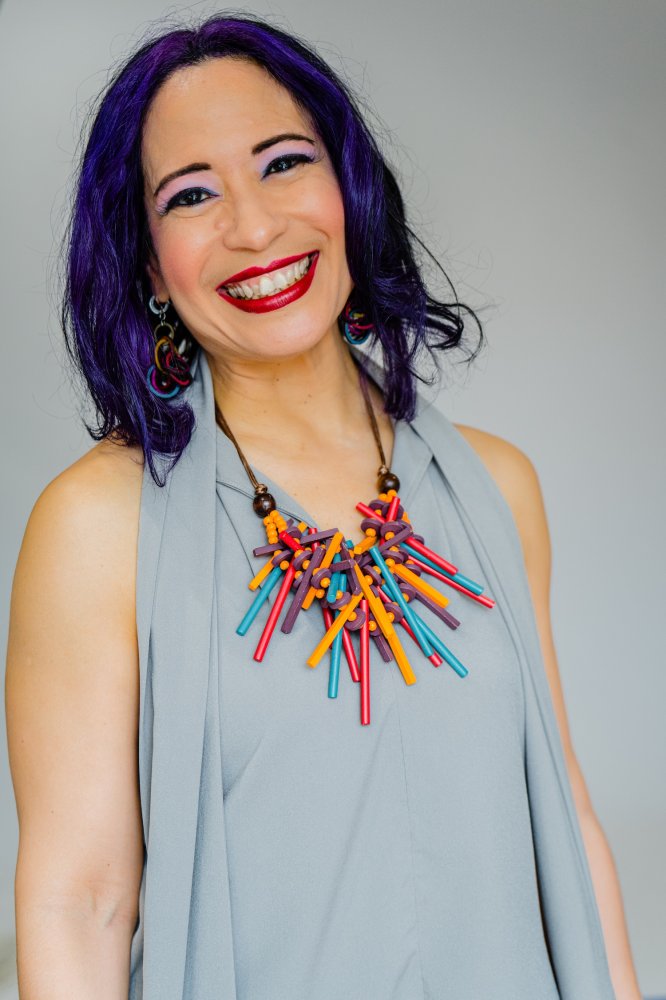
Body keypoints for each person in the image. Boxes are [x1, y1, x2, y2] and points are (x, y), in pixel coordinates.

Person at [5, 12, 641, 1000]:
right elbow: (79, 900)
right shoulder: (96, 523)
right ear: (148, 264)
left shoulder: (496, 486)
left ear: (348, 189)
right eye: (191, 194)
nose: (255, 226)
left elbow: (567, 822)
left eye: (284, 163)